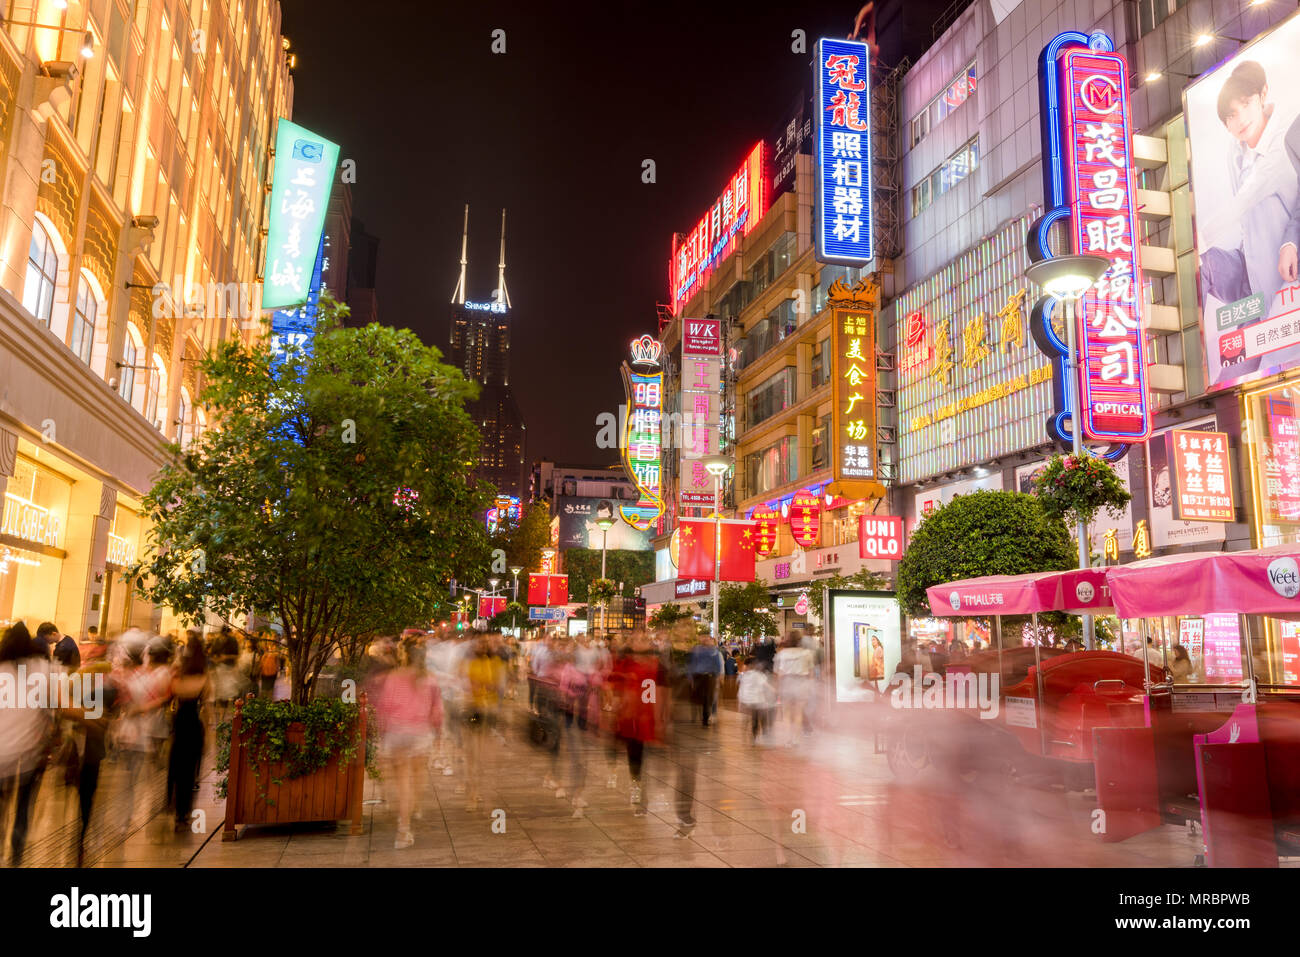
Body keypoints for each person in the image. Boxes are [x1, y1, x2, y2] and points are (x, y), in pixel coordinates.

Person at [1199, 60, 1300, 380]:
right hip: (1255, 290)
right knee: (1204, 266)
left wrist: (1290, 242)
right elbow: (1246, 222)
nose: (1239, 119)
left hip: (1289, 285)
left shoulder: (1284, 138)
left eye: (1245, 105)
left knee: (1273, 372)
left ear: (1263, 95)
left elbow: (1248, 198)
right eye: (1230, 115)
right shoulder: (1235, 151)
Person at [376, 638, 442, 848]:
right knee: (417, 776)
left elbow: (384, 707)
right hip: (419, 733)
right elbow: (437, 711)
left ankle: (403, 828)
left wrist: (382, 731)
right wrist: (438, 733)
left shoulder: (393, 677)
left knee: (402, 782)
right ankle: (413, 812)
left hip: (397, 732)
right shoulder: (430, 679)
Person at [0, 622, 53, 866]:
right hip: (30, 753)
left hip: (2, 753)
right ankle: (17, 855)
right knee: (23, 807)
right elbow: (58, 706)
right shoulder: (41, 669)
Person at [607, 629, 667, 815]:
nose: (641, 642)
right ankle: (637, 787)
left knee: (647, 757)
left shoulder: (657, 665)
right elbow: (613, 684)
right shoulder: (625, 664)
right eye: (637, 640)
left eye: (645, 639)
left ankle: (641, 791)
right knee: (635, 756)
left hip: (649, 718)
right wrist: (615, 703)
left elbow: (663, 692)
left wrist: (662, 718)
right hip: (630, 718)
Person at [167, 632, 208, 833]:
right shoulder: (203, 677)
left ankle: (175, 808)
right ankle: (184, 813)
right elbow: (206, 707)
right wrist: (208, 735)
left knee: (177, 767)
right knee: (190, 771)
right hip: (194, 725)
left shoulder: (178, 674)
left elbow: (169, 694)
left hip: (179, 725)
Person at [461, 635, 503, 811]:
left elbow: (497, 685)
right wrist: (473, 686)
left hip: (487, 709)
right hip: (472, 708)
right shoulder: (468, 663)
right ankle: (472, 793)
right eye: (480, 643)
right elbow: (463, 682)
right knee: (471, 753)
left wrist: (486, 685)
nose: (483, 646)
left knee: (481, 755)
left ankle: (477, 791)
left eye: (485, 644)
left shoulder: (494, 663)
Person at [773, 633, 815, 745]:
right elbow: (811, 674)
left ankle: (788, 740)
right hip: (801, 685)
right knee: (798, 714)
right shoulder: (807, 654)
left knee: (786, 715)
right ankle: (796, 740)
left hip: (786, 685)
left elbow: (778, 673)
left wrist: (777, 688)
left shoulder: (782, 654)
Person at [686, 636, 723, 728]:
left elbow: (717, 664)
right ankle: (699, 715)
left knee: (707, 697)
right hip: (698, 675)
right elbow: (692, 663)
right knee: (698, 696)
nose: (705, 641)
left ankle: (705, 718)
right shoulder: (697, 649)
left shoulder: (713, 650)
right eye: (704, 639)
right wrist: (690, 676)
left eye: (707, 639)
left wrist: (718, 675)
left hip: (709, 676)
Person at [738, 656, 777, 743]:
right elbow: (766, 685)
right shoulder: (758, 675)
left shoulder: (744, 676)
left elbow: (742, 688)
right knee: (761, 717)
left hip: (748, 700)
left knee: (753, 718)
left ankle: (754, 737)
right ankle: (764, 734)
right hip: (758, 700)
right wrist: (774, 691)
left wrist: (741, 700)